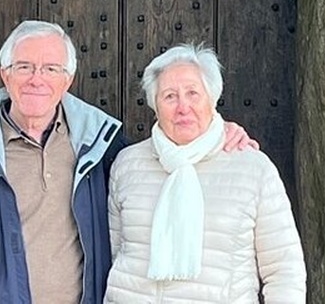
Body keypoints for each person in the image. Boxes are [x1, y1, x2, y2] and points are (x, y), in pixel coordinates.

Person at [0, 20, 255, 304]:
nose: (37, 79)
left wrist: (217, 134)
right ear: (5, 74)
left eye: (51, 68)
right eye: (24, 67)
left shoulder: (100, 144)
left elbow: (169, 156)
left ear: (67, 80)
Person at [103, 43, 306, 303]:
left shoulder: (253, 169)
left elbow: (284, 270)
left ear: (212, 98)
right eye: (169, 96)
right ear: (155, 105)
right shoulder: (127, 165)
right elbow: (114, 252)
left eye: (193, 93)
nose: (182, 107)